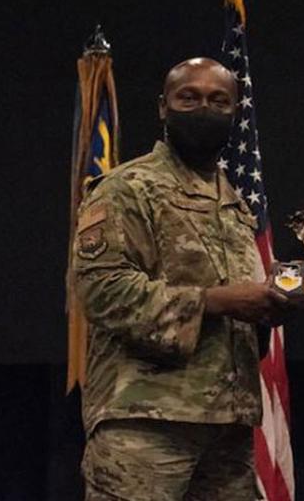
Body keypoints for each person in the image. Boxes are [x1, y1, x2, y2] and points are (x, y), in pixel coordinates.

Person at [71, 57, 290, 500]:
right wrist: (214, 301)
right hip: (146, 421)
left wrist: (276, 301)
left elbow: (242, 304)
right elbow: (102, 291)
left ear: (235, 112)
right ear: (163, 107)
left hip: (227, 424)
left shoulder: (231, 201)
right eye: (189, 97)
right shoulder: (126, 188)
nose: (204, 109)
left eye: (218, 100)